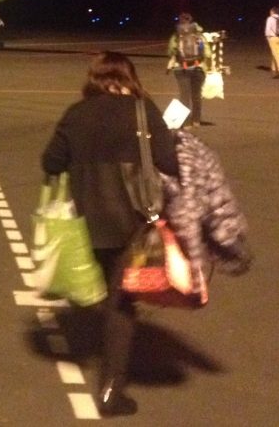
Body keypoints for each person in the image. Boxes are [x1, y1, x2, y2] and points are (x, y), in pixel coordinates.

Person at [41, 51, 179, 417]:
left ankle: (100, 333)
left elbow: (51, 161)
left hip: (87, 220)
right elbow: (168, 160)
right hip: (131, 221)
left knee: (104, 288)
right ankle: (110, 390)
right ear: (129, 78)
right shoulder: (141, 110)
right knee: (122, 303)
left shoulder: (76, 114)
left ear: (94, 78)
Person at [167, 12, 207, 126]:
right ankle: (196, 120)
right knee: (196, 95)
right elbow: (206, 52)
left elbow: (171, 51)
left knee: (184, 96)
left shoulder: (176, 35)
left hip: (181, 69)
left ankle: (186, 122)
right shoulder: (199, 35)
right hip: (197, 68)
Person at [264, 7, 279, 77]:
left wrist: (267, 37)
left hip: (273, 38)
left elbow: (267, 29)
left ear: (272, 12)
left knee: (276, 53)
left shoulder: (270, 18)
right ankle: (273, 68)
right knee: (277, 52)